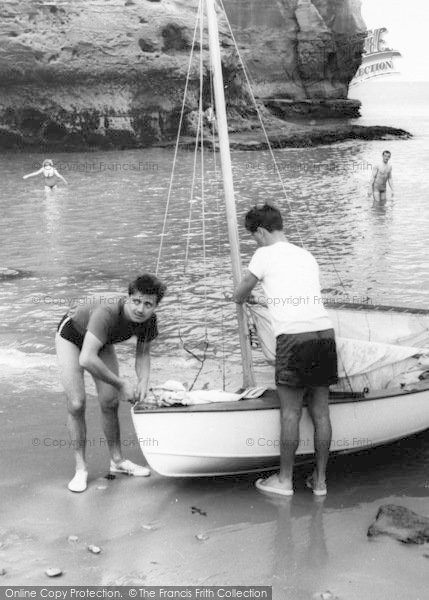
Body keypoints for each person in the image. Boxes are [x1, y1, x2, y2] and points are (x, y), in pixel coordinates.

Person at [232, 204, 337, 496]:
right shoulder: (306, 255)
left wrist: (243, 296)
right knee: (321, 413)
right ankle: (320, 482)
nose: (255, 241)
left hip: (294, 338)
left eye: (254, 236)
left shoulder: (263, 254)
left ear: (262, 231)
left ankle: (285, 480)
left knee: (290, 413)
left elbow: (239, 294)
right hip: (324, 334)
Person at [55, 274, 166, 493]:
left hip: (99, 341)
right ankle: (81, 469)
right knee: (76, 403)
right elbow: (86, 358)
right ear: (128, 298)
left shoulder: (149, 321)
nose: (140, 309)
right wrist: (122, 384)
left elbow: (142, 355)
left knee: (109, 401)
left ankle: (117, 461)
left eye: (148, 304)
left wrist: (143, 381)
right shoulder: (108, 312)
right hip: (71, 337)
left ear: (155, 306)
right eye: (136, 301)